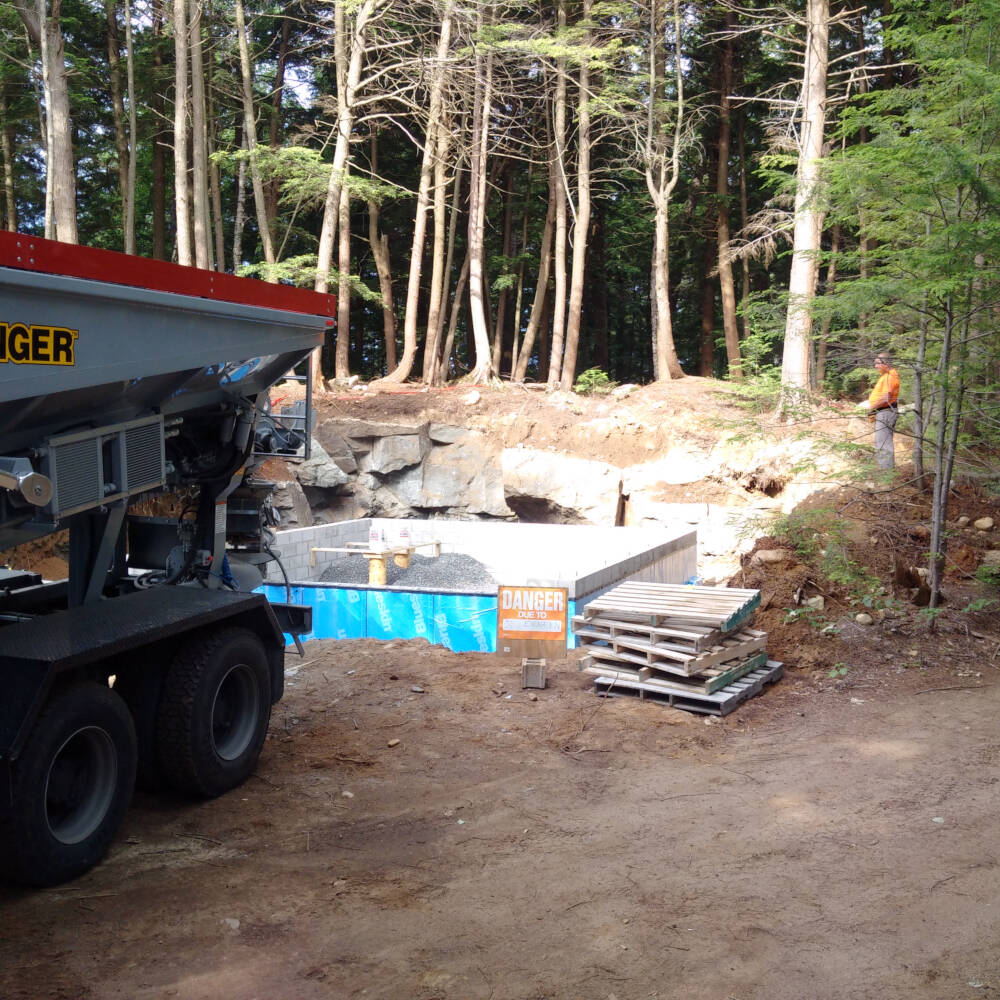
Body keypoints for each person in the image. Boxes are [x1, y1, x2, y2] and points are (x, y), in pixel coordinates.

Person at [856, 353, 900, 469]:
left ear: (886, 363)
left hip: (885, 412)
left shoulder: (890, 376)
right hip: (884, 412)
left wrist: (870, 407)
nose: (875, 366)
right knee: (882, 442)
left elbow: (886, 397)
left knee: (883, 444)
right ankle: (886, 471)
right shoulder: (887, 375)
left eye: (878, 363)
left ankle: (886, 474)